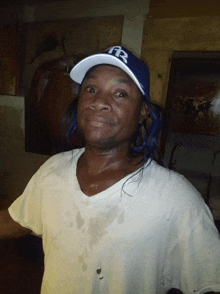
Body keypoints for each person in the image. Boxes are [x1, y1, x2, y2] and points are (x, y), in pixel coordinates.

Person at [1, 45, 220, 294]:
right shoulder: (53, 170)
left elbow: (211, 282)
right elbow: (20, 218)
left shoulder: (174, 197)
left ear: (142, 112)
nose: (99, 102)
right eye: (91, 89)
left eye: (120, 94)